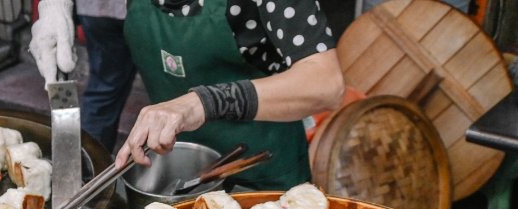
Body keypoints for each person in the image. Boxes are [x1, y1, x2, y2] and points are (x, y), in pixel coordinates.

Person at [32, 0, 344, 190]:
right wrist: (54, 6)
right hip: (179, 178)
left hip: (261, 177)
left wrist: (202, 102)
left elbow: (325, 83)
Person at [29, 0, 136, 153]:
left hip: (98, 10)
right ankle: (89, 166)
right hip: (133, 13)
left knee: (103, 91)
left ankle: (87, 165)